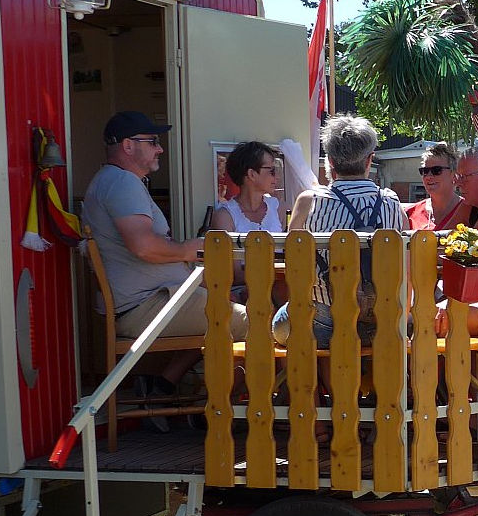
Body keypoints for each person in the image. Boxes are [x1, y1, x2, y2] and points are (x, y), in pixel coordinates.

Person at [82, 111, 247, 401]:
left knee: (231, 308)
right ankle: (231, 409)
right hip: (147, 307)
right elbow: (143, 247)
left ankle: (167, 387)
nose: (160, 148)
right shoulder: (122, 183)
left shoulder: (113, 181)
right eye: (153, 141)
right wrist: (189, 248)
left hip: (157, 301)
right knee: (258, 321)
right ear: (128, 146)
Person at [274, 115, 407, 349]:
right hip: (380, 326)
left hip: (323, 326)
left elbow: (293, 264)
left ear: (331, 161)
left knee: (279, 323)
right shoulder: (391, 203)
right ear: (370, 160)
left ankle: (311, 383)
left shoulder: (308, 202)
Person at [211, 141, 285, 235]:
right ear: (251, 174)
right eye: (272, 171)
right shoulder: (225, 216)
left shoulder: (280, 209)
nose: (277, 176)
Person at [403, 141, 471, 231]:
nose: (429, 176)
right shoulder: (409, 213)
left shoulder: (470, 211)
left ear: (454, 174)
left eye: (436, 170)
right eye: (425, 171)